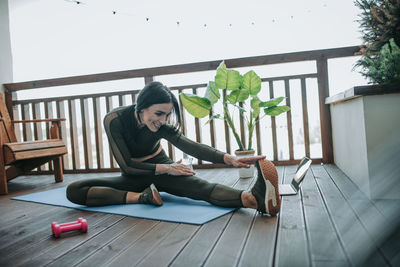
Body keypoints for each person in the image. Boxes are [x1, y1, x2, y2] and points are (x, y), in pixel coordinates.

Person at [66, 81, 281, 216]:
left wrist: (228, 158)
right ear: (141, 108)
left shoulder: (160, 126)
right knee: (74, 190)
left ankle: (252, 199)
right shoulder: (115, 120)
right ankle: (142, 197)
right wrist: (166, 168)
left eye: (167, 115)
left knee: (200, 187)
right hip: (134, 176)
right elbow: (127, 165)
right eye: (159, 113)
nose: (163, 120)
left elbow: (190, 145)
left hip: (162, 171)